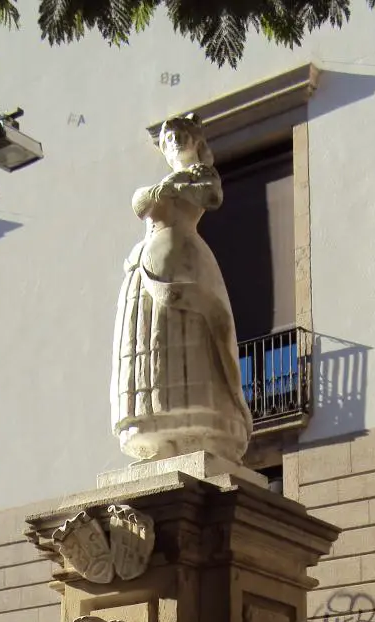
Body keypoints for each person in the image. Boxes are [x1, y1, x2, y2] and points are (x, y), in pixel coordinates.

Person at [110, 113, 253, 464]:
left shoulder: (201, 176)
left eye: (180, 135)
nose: (173, 141)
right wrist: (161, 189)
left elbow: (212, 196)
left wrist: (172, 187)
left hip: (183, 260)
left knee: (193, 336)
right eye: (167, 136)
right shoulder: (163, 183)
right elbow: (140, 202)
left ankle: (196, 422)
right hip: (146, 265)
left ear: (195, 141)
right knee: (153, 344)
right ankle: (160, 430)